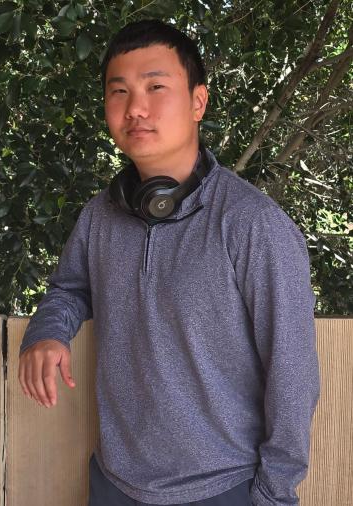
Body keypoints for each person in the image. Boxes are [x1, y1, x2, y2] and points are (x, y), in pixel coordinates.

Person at [17, 19, 319, 506]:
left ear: (199, 101)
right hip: (113, 482)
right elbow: (70, 289)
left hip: (226, 490)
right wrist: (47, 332)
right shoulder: (100, 214)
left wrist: (271, 494)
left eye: (156, 87)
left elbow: (294, 372)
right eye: (119, 92)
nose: (135, 108)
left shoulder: (253, 224)